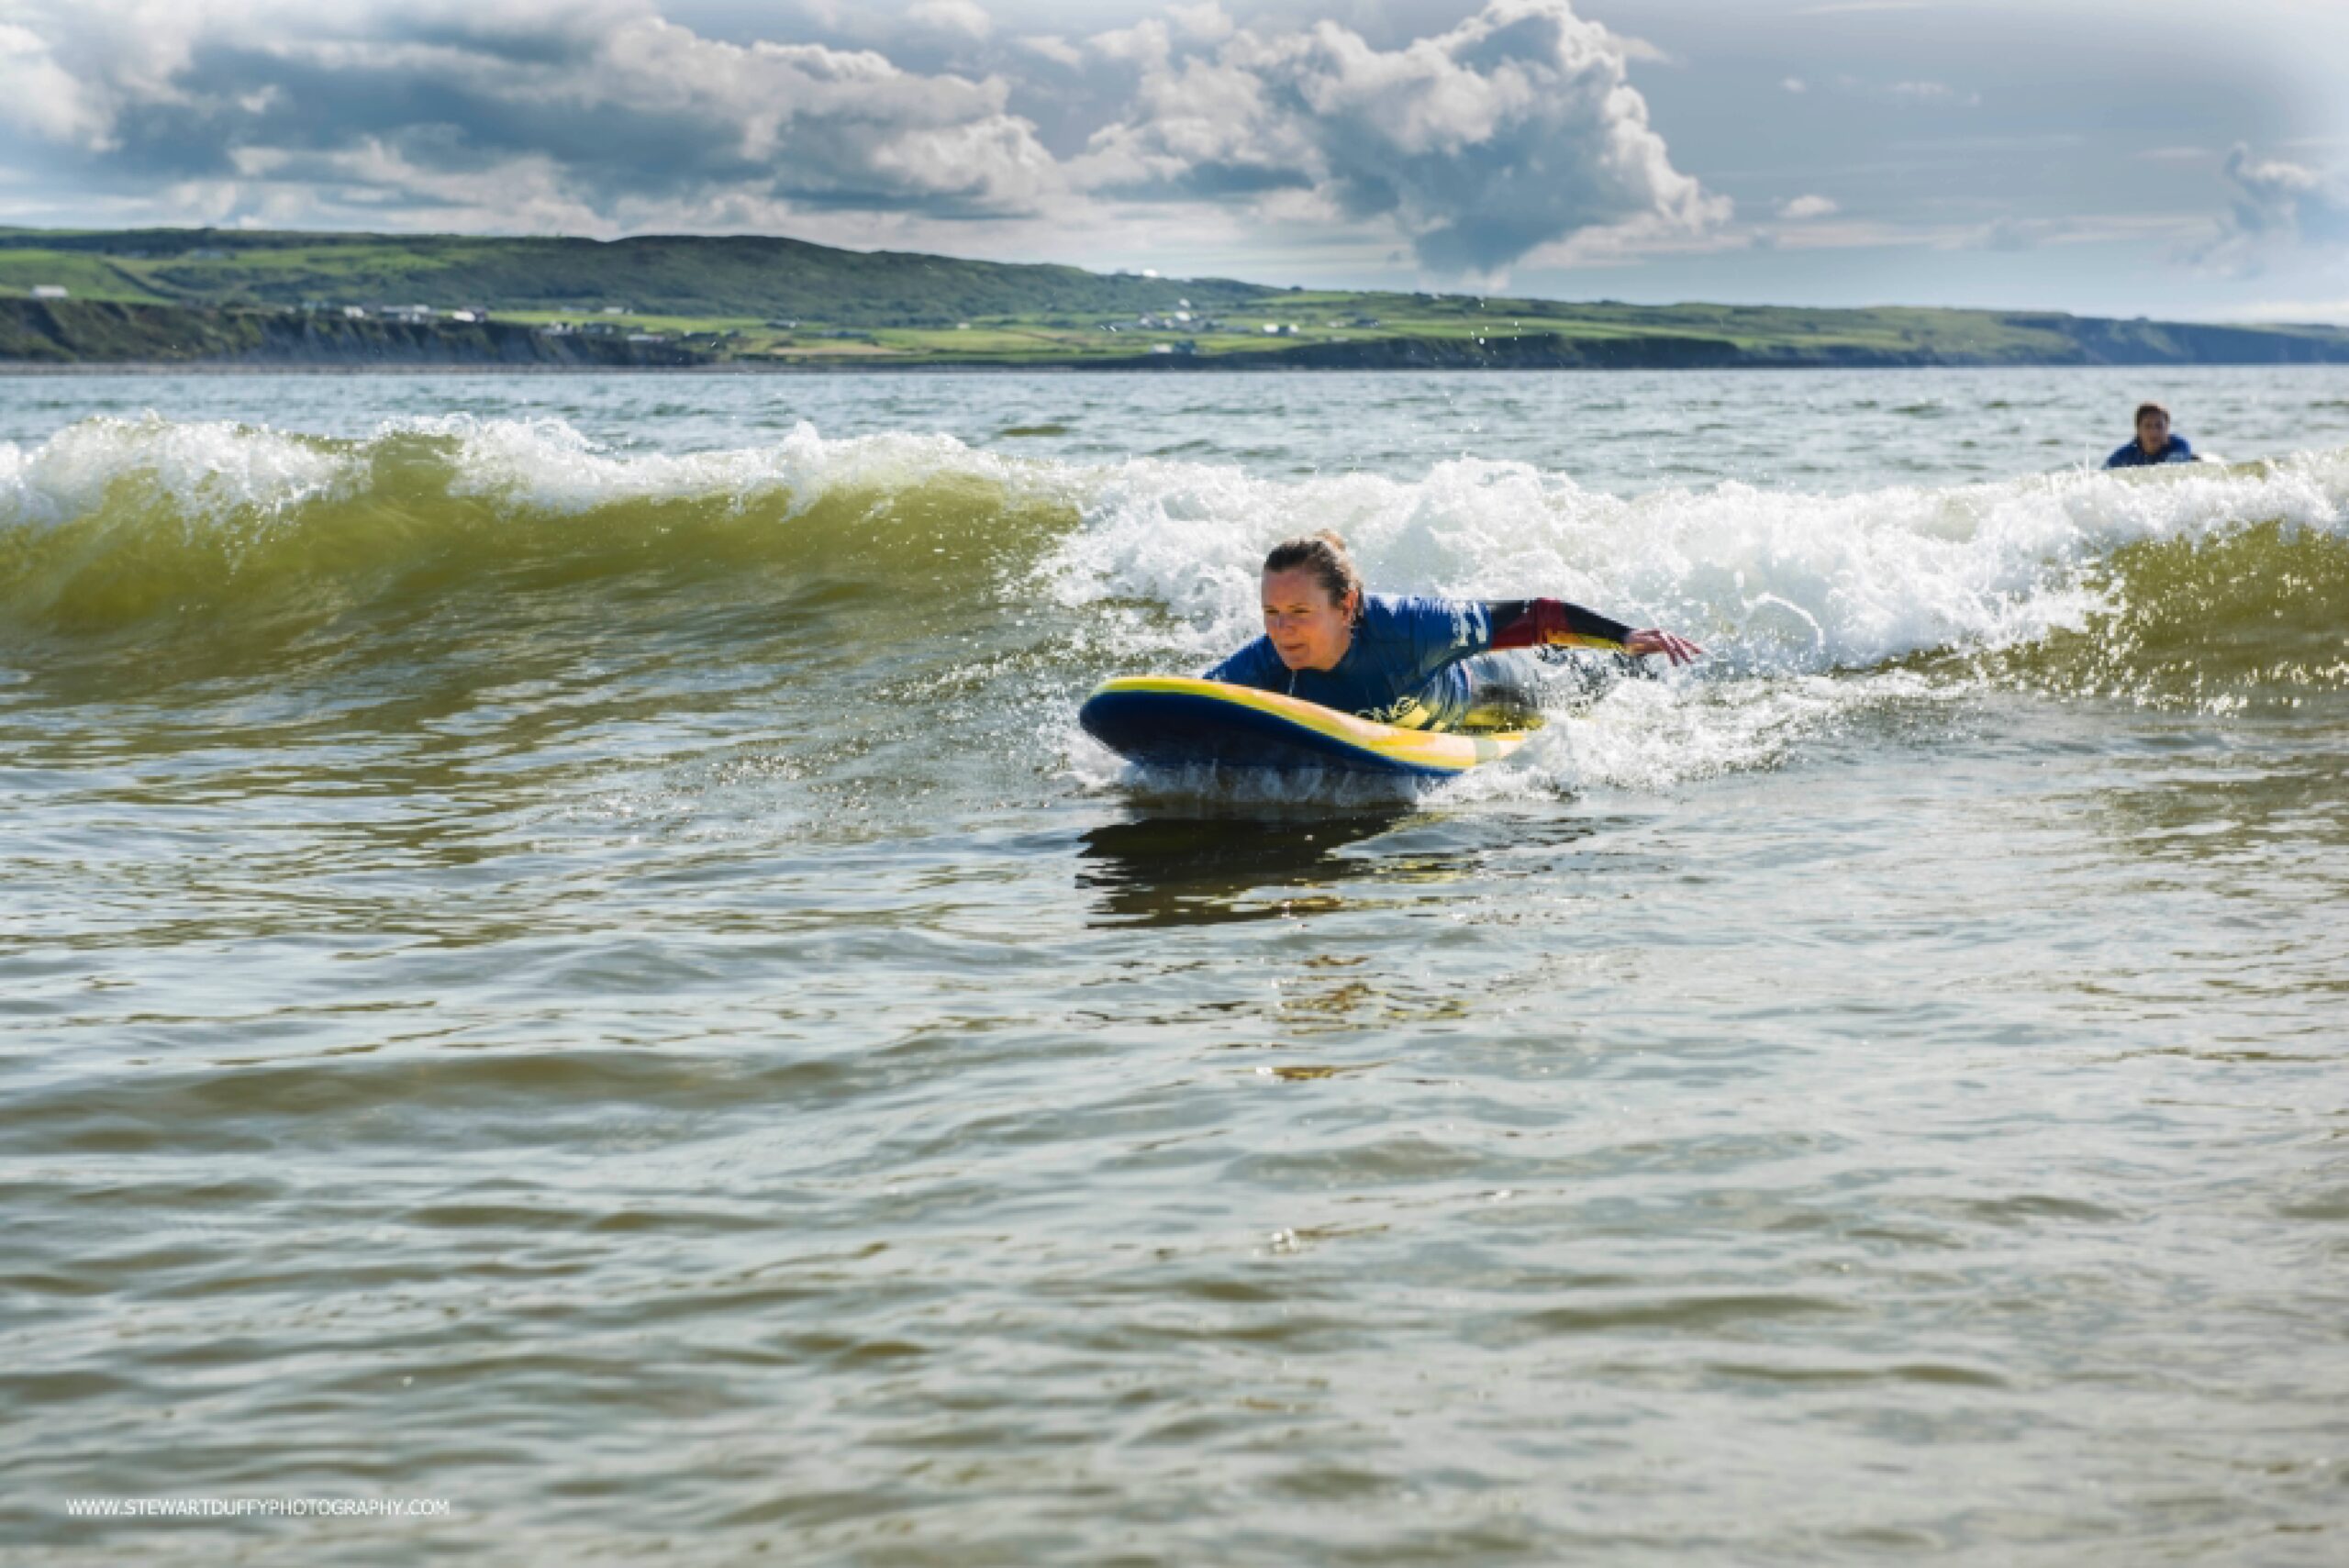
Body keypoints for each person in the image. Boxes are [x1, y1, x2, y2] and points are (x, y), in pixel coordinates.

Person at [1204, 531, 1701, 732]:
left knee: (1572, 684)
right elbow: (1189, 702)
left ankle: (1625, 668)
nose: (1282, 629)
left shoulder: (1410, 627)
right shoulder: (1267, 658)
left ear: (1346, 606)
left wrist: (1623, 637)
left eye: (1298, 611)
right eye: (1270, 612)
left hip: (1492, 687)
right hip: (1416, 717)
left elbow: (1539, 617)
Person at [2105, 402, 2194, 468]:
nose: (2154, 432)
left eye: (2159, 426)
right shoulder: (2126, 454)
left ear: (2167, 428)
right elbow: (2103, 474)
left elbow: (2168, 472)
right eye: (2147, 426)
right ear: (2138, 430)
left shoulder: (2179, 446)